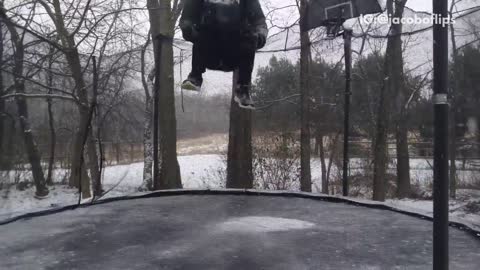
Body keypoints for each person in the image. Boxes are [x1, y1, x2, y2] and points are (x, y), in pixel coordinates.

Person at [180, 0, 268, 110]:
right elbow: (187, 18)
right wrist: (188, 30)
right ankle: (195, 76)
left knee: (250, 36)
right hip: (209, 51)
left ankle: (243, 88)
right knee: (202, 28)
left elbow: (259, 21)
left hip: (234, 53)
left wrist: (260, 36)